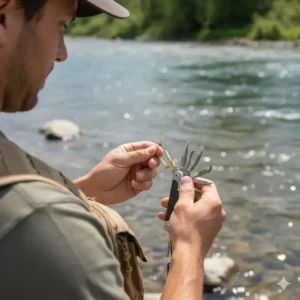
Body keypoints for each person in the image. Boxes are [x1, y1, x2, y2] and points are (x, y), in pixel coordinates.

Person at [0, 0, 226, 299]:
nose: (62, 53)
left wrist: (86, 191)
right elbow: (29, 219)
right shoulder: (42, 220)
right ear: (3, 17)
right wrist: (190, 246)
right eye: (60, 25)